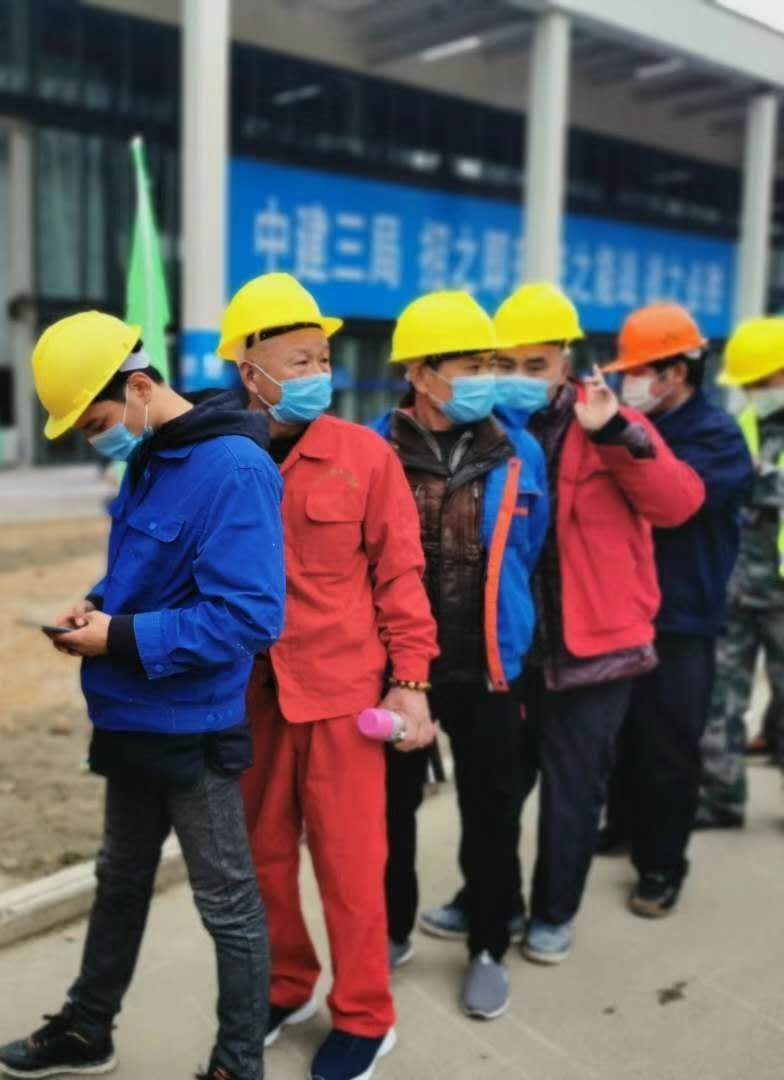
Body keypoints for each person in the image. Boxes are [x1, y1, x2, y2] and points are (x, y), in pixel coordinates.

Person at [0, 311, 285, 1080]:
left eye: (97, 424)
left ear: (140, 388)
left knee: (227, 904)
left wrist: (116, 638)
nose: (97, 441)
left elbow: (249, 617)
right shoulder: (151, 459)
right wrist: (94, 606)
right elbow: (146, 576)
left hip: (194, 729)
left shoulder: (234, 469)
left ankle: (238, 1064)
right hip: (130, 719)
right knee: (119, 879)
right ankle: (89, 1028)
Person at [418, 283, 704, 965]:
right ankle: (489, 900)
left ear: (565, 362)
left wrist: (616, 434)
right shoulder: (485, 429)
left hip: (594, 647)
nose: (517, 378)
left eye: (535, 365)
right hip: (511, 648)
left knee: (572, 792)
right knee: (496, 790)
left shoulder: (604, 420)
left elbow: (677, 502)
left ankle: (553, 911)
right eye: (504, 363)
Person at [221, 273, 438, 1080]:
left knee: (350, 868)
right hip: (252, 697)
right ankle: (288, 986)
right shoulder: (223, 456)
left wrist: (410, 679)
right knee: (264, 860)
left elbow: (401, 574)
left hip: (343, 698)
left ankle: (366, 1014)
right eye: (299, 360)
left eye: (322, 357)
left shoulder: (363, 456)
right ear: (250, 371)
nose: (319, 372)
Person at [371, 292, 549, 1020]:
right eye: (470, 365)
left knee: (492, 814)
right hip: (396, 675)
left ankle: (487, 946)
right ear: (420, 372)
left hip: (491, 669)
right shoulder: (372, 450)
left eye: (489, 363)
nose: (486, 378)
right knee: (389, 814)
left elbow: (529, 551)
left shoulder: (520, 452)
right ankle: (389, 932)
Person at [592, 305, 752, 917]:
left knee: (668, 748)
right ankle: (622, 826)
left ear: (678, 372)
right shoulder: (631, 422)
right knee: (621, 737)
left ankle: (661, 866)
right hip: (623, 609)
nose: (630, 382)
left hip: (683, 617)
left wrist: (622, 438)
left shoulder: (716, 436)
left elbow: (674, 499)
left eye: (640, 371)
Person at [698, 317, 784, 828]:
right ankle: (719, 799)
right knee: (720, 699)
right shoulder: (742, 424)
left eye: (760, 381)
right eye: (747, 384)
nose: (754, 392)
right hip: (737, 585)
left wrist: (763, 481)